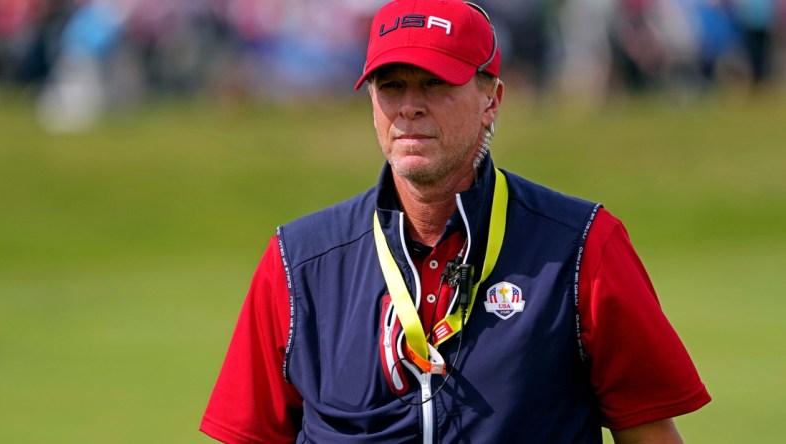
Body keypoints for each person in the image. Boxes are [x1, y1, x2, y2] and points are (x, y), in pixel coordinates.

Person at [200, 1, 711, 442]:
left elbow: (649, 434)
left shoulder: (581, 247)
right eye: (391, 85)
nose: (410, 107)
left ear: (492, 100)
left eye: (436, 83)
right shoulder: (298, 261)